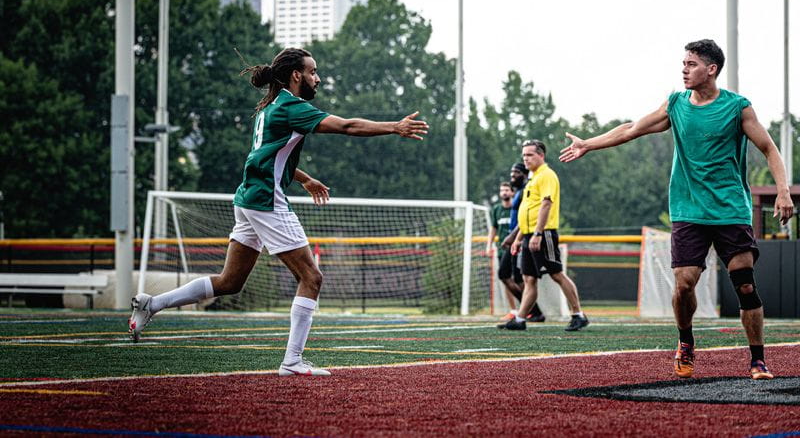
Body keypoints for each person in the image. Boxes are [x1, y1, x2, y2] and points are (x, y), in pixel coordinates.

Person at [128, 47, 429, 377]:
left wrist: (304, 178)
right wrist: (394, 127)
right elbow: (347, 126)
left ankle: (151, 304)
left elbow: (264, 154)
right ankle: (292, 361)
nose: (318, 77)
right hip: (266, 202)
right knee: (311, 277)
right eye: (313, 71)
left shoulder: (269, 108)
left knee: (229, 282)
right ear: (297, 75)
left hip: (248, 199)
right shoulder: (291, 106)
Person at [559, 39, 794, 380]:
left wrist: (783, 192)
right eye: (683, 63)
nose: (684, 69)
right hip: (687, 210)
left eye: (691, 64)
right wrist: (588, 144)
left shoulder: (738, 108)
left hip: (729, 209)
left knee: (744, 284)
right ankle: (685, 342)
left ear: (711, 69)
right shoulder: (675, 105)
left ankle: (758, 359)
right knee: (684, 284)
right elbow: (631, 129)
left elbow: (769, 149)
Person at [503, 140, 588, 332]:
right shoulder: (533, 178)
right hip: (528, 235)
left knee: (556, 273)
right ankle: (521, 318)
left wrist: (538, 233)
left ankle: (578, 314)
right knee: (529, 279)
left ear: (541, 155)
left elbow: (546, 204)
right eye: (524, 155)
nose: (526, 158)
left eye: (530, 155)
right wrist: (518, 239)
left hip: (543, 233)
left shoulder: (547, 175)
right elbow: (526, 211)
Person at [498, 163, 545, 327]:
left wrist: (514, 237)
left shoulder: (527, 189)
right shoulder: (519, 191)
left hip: (522, 236)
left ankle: (532, 311)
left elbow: (526, 217)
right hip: (517, 237)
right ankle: (532, 311)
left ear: (524, 174)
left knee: (521, 277)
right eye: (511, 172)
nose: (512, 175)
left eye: (516, 172)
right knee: (506, 275)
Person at [487, 181, 523, 319]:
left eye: (507, 190)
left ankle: (527, 308)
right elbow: (493, 228)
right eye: (502, 190)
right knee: (505, 277)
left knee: (519, 278)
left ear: (512, 192)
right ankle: (513, 310)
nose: (504, 193)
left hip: (517, 248)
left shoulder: (516, 208)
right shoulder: (496, 210)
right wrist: (489, 244)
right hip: (503, 250)